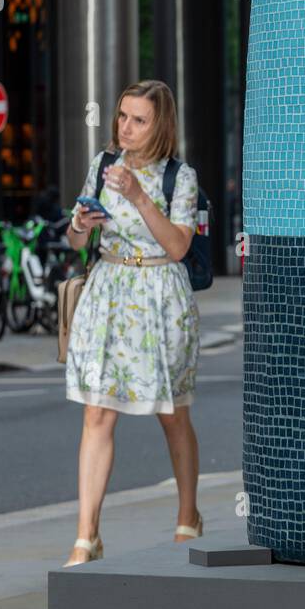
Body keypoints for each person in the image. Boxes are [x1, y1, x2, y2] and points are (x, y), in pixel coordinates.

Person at [62, 80, 202, 566]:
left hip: (160, 297)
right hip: (108, 293)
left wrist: (141, 197)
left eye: (138, 119)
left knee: (172, 412)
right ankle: (87, 537)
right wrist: (81, 224)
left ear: (159, 124)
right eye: (122, 116)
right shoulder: (102, 165)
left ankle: (188, 518)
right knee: (96, 412)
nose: (125, 127)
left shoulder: (179, 177)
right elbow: (77, 243)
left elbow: (180, 247)